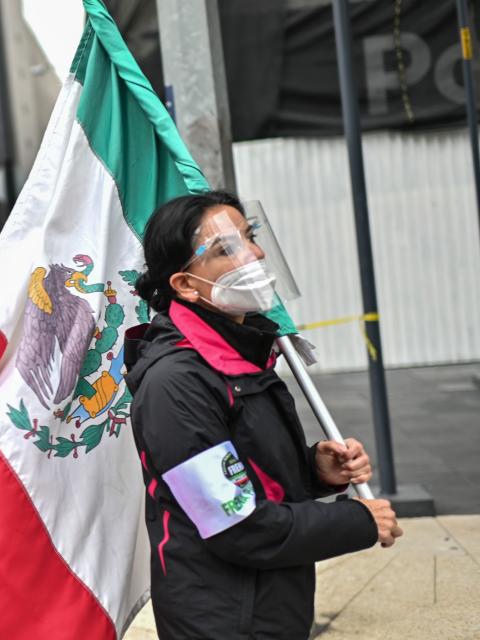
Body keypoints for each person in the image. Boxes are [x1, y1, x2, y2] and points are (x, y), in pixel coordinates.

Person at [123, 190, 403, 639]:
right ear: (185, 285)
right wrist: (357, 520)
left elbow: (247, 466)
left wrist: (315, 470)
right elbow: (237, 523)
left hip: (269, 601)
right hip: (223, 617)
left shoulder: (243, 353)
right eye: (225, 249)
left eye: (249, 237)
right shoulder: (175, 384)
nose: (254, 254)